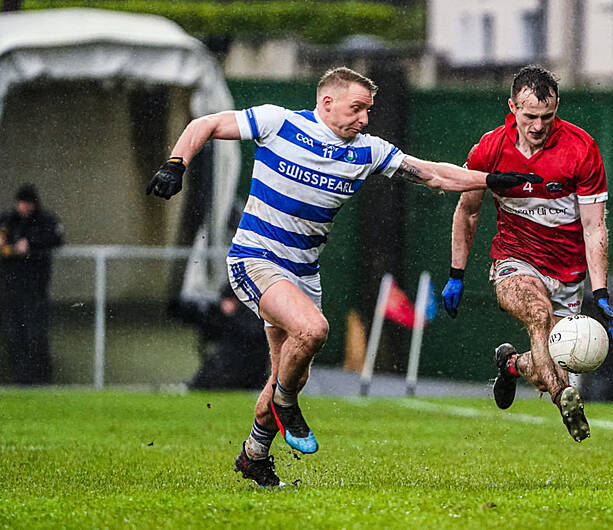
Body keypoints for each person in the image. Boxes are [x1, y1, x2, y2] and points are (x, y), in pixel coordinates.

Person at [145, 66, 541, 487]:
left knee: (288, 373)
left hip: (303, 273)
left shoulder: (367, 151)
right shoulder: (280, 122)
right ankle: (285, 406)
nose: (364, 119)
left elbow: (433, 174)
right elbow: (205, 123)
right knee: (313, 331)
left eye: (368, 111)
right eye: (357, 109)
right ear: (327, 102)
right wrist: (176, 164)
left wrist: (492, 179)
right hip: (256, 259)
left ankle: (254, 454)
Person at [440, 65, 613, 443]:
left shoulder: (581, 149)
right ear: (512, 107)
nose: (538, 126)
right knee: (538, 316)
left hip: (567, 273)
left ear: (557, 109)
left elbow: (593, 226)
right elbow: (468, 211)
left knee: (545, 366)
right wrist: (457, 273)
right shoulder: (490, 148)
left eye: (547, 117)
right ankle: (564, 398)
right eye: (530, 116)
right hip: (514, 260)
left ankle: (512, 365)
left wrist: (599, 292)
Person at [0, 184, 64, 385]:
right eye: (21, 203)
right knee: (13, 337)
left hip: (35, 290)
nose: (24, 207)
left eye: (28, 203)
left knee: (35, 336)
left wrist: (31, 243)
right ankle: (21, 380)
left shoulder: (45, 221)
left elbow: (57, 238)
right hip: (9, 290)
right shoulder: (7, 220)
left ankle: (40, 381)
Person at [173, 285, 269, 390]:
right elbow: (213, 332)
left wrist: (231, 317)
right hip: (236, 365)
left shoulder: (250, 316)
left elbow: (252, 336)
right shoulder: (227, 316)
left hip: (247, 366)